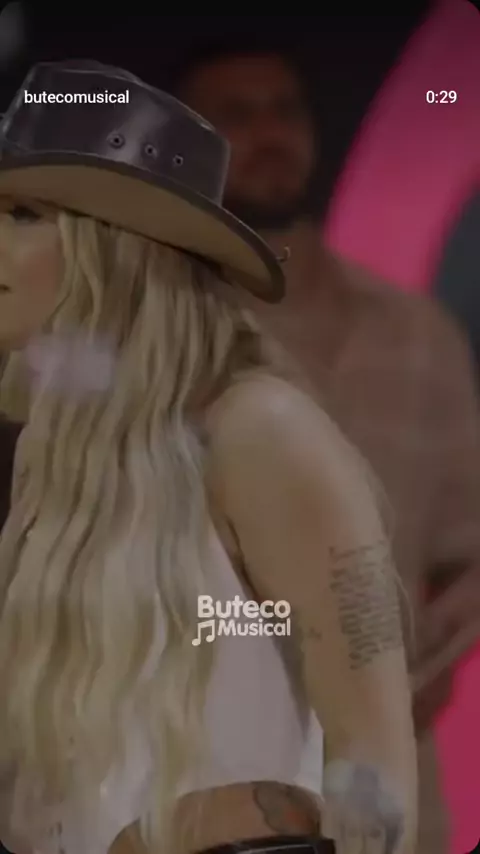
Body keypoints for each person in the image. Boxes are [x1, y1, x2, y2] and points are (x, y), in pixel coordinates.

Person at [0, 61, 416, 854]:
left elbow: (375, 774)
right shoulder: (55, 456)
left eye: (22, 214)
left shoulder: (259, 433)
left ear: (122, 248)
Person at [172, 39, 480, 854]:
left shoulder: (420, 335)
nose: (270, 134)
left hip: (395, 796)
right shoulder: (155, 340)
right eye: (237, 115)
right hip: (203, 786)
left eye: (286, 111)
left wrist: (433, 654)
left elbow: (468, 547)